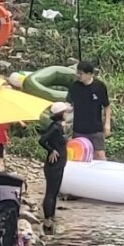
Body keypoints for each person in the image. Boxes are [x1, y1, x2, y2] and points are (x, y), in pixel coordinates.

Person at [65, 61, 111, 161]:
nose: (78, 75)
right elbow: (68, 104)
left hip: (96, 128)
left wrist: (107, 124)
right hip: (79, 129)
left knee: (99, 154)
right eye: (77, 72)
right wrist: (63, 116)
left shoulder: (99, 86)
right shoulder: (74, 87)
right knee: (79, 155)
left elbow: (107, 106)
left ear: (89, 74)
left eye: (81, 73)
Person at [38, 102, 71, 232]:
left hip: (59, 164)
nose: (67, 114)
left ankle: (51, 216)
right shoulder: (55, 127)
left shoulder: (58, 127)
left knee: (55, 192)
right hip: (54, 164)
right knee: (51, 192)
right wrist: (51, 150)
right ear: (61, 114)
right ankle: (48, 218)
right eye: (66, 112)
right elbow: (42, 140)